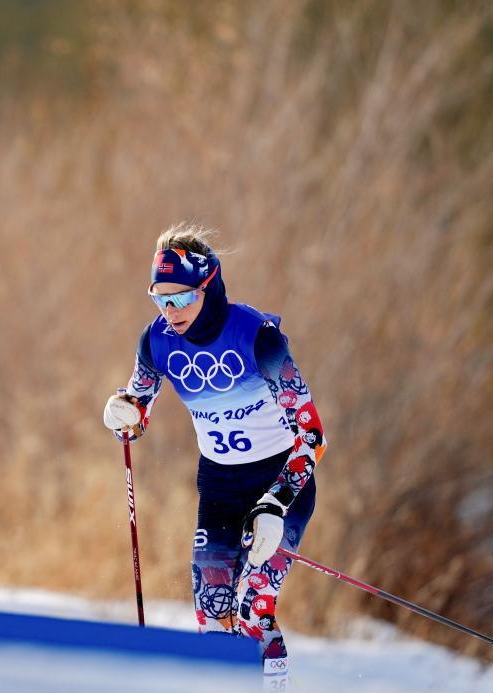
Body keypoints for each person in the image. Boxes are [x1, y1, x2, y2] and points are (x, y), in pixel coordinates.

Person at [102, 222, 327, 691]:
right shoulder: (157, 341)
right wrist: (124, 410)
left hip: (281, 482)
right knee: (212, 607)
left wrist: (275, 504)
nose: (170, 310)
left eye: (181, 297)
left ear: (209, 287)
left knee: (252, 607)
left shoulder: (257, 338)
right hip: (220, 488)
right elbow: (138, 407)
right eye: (159, 298)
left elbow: (312, 435)